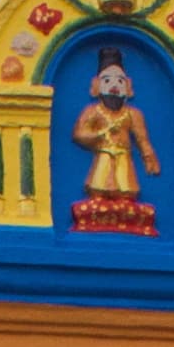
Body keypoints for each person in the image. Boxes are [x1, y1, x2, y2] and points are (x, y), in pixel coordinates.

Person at [69, 45, 161, 234]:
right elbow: (79, 134)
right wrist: (99, 134)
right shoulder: (93, 111)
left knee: (125, 187)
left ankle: (124, 204)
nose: (113, 85)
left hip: (123, 154)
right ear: (96, 85)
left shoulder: (132, 114)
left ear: (127, 86)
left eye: (119, 81)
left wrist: (148, 155)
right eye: (107, 80)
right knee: (99, 185)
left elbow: (142, 138)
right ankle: (99, 202)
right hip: (103, 152)